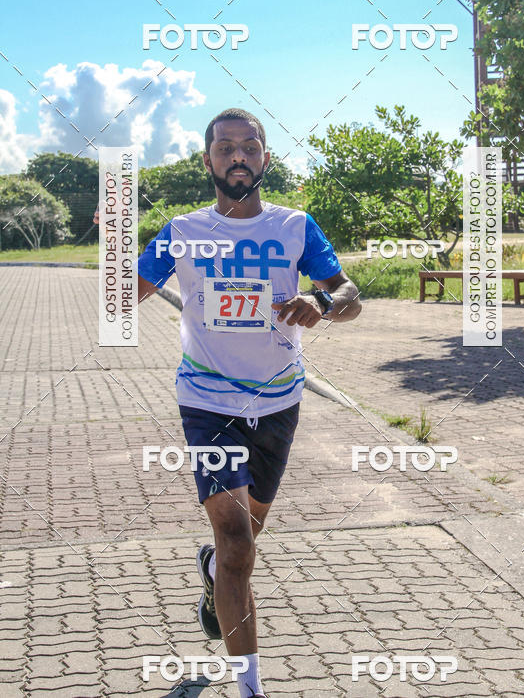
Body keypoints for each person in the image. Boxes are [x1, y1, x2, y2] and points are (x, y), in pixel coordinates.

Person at [136, 108, 361, 698]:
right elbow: (120, 295)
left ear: (263, 158)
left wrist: (323, 301)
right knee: (237, 543)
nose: (237, 155)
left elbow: (348, 292)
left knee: (244, 544)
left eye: (249, 146)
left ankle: (213, 573)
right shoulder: (183, 230)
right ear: (208, 160)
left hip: (280, 400)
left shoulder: (294, 226)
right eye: (225, 147)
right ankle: (250, 689)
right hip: (207, 401)